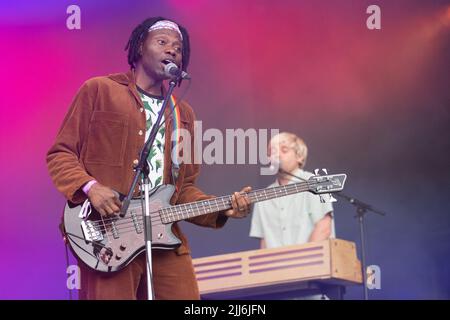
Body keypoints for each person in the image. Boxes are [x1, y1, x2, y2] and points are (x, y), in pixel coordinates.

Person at [47, 17, 251, 300]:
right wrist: (91, 188)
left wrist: (224, 208)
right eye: (162, 42)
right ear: (140, 47)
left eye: (178, 48)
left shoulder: (183, 115)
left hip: (165, 241)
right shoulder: (100, 90)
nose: (172, 51)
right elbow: (61, 154)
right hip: (108, 234)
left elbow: (184, 190)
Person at [250, 132, 334, 249]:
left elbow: (324, 228)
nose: (277, 155)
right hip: (277, 266)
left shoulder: (315, 182)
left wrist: (300, 262)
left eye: (284, 150)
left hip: (313, 264)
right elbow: (264, 243)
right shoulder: (262, 197)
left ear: (299, 157)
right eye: (272, 152)